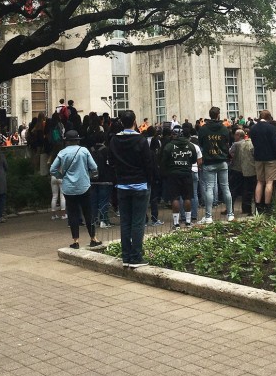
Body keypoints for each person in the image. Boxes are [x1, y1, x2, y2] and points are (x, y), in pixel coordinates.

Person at [108, 110, 153, 267]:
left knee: (125, 221)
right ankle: (136, 256)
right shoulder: (140, 140)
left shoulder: (114, 140)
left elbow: (111, 161)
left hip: (122, 185)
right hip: (140, 184)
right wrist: (150, 180)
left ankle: (126, 256)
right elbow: (148, 162)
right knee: (138, 222)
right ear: (135, 122)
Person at [50, 130, 101, 249]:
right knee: (88, 213)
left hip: (68, 188)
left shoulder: (62, 153)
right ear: (78, 140)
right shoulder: (83, 150)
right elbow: (94, 167)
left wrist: (61, 175)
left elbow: (52, 169)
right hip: (84, 186)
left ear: (66, 141)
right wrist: (88, 174)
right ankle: (93, 238)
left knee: (73, 214)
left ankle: (76, 241)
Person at [197, 106, 234, 223]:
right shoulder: (224, 129)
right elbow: (228, 142)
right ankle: (230, 214)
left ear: (210, 115)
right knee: (225, 187)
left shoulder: (203, 129)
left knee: (209, 188)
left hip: (209, 162)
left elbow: (201, 144)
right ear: (218, 115)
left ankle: (208, 216)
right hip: (222, 161)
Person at [161, 126, 198, 229]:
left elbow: (163, 161)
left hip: (173, 174)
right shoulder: (190, 146)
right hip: (186, 173)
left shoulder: (169, 146)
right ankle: (188, 222)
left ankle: (176, 223)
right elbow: (194, 160)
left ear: (174, 135)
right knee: (187, 197)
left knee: (175, 198)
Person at [249, 110, 276, 214]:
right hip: (271, 157)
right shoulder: (271, 128)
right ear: (268, 117)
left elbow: (253, 143)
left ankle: (258, 205)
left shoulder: (253, 128)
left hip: (258, 157)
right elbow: (275, 144)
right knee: (269, 182)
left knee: (259, 181)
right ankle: (267, 206)